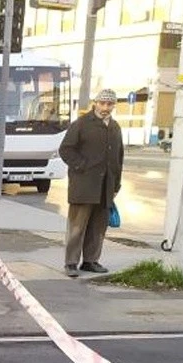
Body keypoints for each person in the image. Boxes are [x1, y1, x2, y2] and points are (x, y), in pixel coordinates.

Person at [58, 88, 124, 277]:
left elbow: (119, 157)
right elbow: (66, 150)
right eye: (102, 103)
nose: (105, 107)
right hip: (84, 185)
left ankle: (90, 261)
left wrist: (116, 183)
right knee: (77, 226)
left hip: (106, 187)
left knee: (98, 226)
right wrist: (82, 165)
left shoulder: (115, 127)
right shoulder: (81, 124)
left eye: (109, 104)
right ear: (96, 103)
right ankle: (71, 262)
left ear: (113, 105)